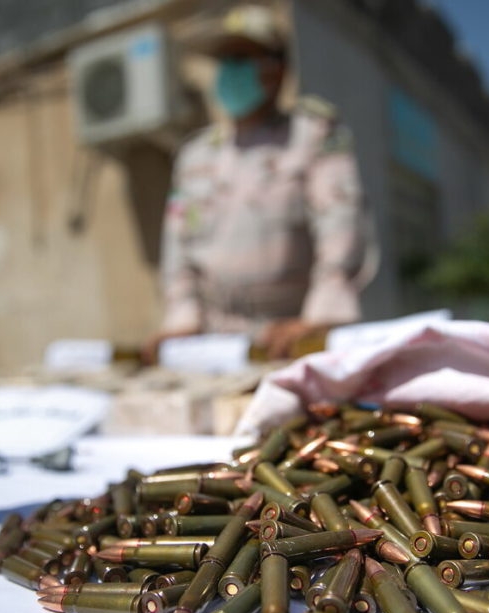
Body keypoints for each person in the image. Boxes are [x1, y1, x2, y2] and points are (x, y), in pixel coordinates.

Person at [143, 4, 374, 362]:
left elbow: (340, 227)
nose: (229, 71)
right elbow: (178, 247)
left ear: (276, 67)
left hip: (292, 338)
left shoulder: (313, 136)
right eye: (225, 61)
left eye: (242, 58)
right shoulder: (195, 156)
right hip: (215, 344)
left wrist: (321, 317)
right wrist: (181, 319)